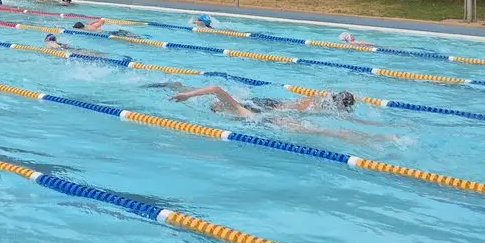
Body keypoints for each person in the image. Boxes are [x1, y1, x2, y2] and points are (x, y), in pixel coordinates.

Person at [162, 84, 383, 142]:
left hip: (271, 119)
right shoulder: (241, 105)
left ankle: (374, 137)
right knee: (307, 109)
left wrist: (188, 96)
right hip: (268, 110)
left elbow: (216, 89)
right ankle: (336, 103)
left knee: (324, 131)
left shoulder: (235, 109)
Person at [73, 18, 138, 38]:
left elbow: (99, 31)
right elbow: (102, 20)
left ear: (80, 28)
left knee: (131, 37)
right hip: (115, 30)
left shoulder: (89, 29)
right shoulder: (89, 25)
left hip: (110, 33)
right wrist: (94, 21)